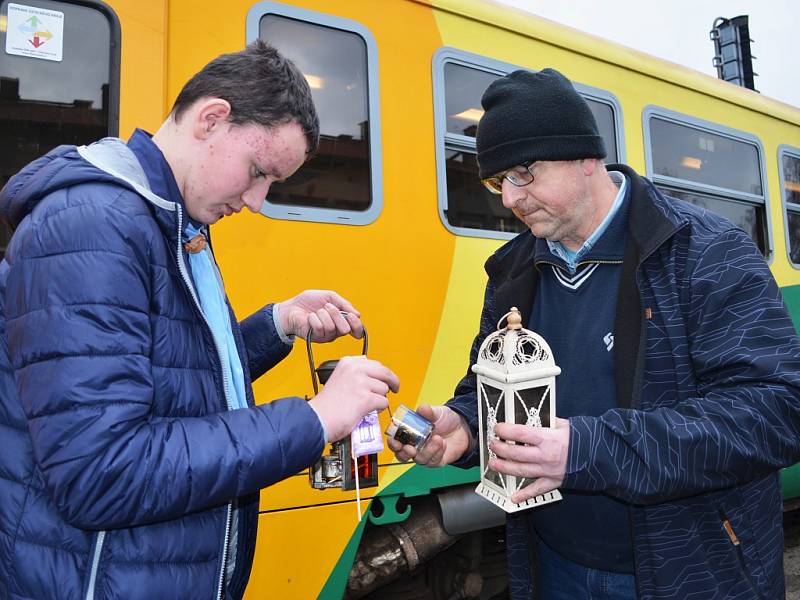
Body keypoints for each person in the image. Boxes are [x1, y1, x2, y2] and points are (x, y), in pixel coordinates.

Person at [0, 41, 399, 600]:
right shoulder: (93, 227)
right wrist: (313, 420)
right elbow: (102, 473)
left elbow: (163, 376)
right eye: (258, 172)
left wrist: (276, 326)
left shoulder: (168, 219)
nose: (258, 201)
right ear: (212, 118)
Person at [388, 68, 800, 600]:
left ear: (586, 158)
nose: (509, 199)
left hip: (693, 570)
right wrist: (466, 427)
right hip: (553, 565)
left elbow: (775, 412)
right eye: (497, 182)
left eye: (523, 173)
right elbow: (492, 387)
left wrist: (585, 449)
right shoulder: (513, 271)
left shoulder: (708, 253)